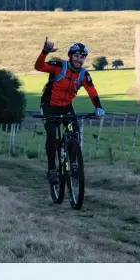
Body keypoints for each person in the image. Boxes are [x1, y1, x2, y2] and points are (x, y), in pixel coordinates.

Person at [34, 38, 105, 184]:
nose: (79, 60)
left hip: (66, 107)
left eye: (82, 57)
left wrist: (98, 107)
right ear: (70, 56)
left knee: (75, 133)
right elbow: (39, 67)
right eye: (77, 56)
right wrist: (44, 52)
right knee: (52, 136)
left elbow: (92, 92)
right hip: (49, 106)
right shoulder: (59, 66)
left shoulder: (84, 75)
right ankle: (52, 170)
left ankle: (73, 162)